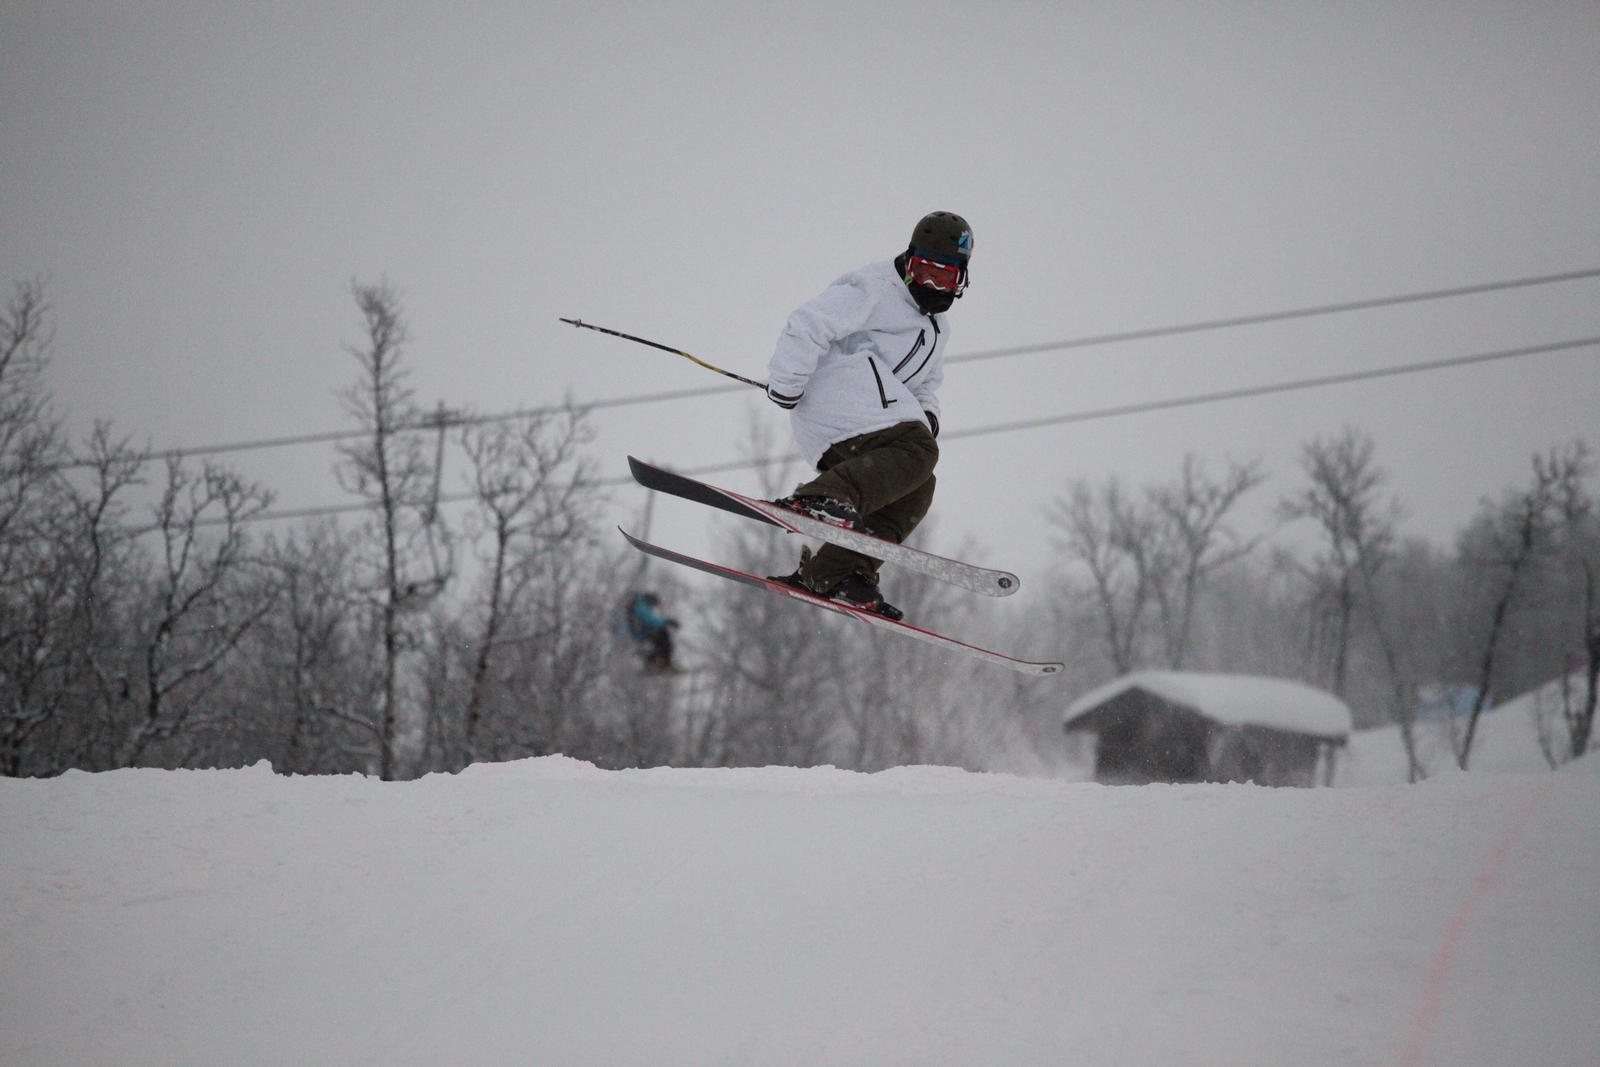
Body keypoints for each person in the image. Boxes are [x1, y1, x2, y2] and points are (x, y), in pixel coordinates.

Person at [763, 211, 973, 622]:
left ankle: (837, 571)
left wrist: (926, 418)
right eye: (924, 272)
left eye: (944, 277)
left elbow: (926, 386)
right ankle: (818, 498)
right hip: (834, 399)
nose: (931, 285)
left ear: (961, 280)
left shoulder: (937, 330)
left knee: (918, 485)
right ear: (909, 262)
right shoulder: (872, 288)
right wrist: (786, 383)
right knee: (919, 451)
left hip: (868, 423)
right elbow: (808, 323)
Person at [625, 591, 679, 674]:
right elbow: (650, 621)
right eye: (653, 604)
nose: (653, 607)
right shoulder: (640, 606)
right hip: (642, 633)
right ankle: (663, 665)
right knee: (664, 641)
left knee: (661, 643)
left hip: (643, 632)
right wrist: (668, 622)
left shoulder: (639, 604)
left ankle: (653, 663)